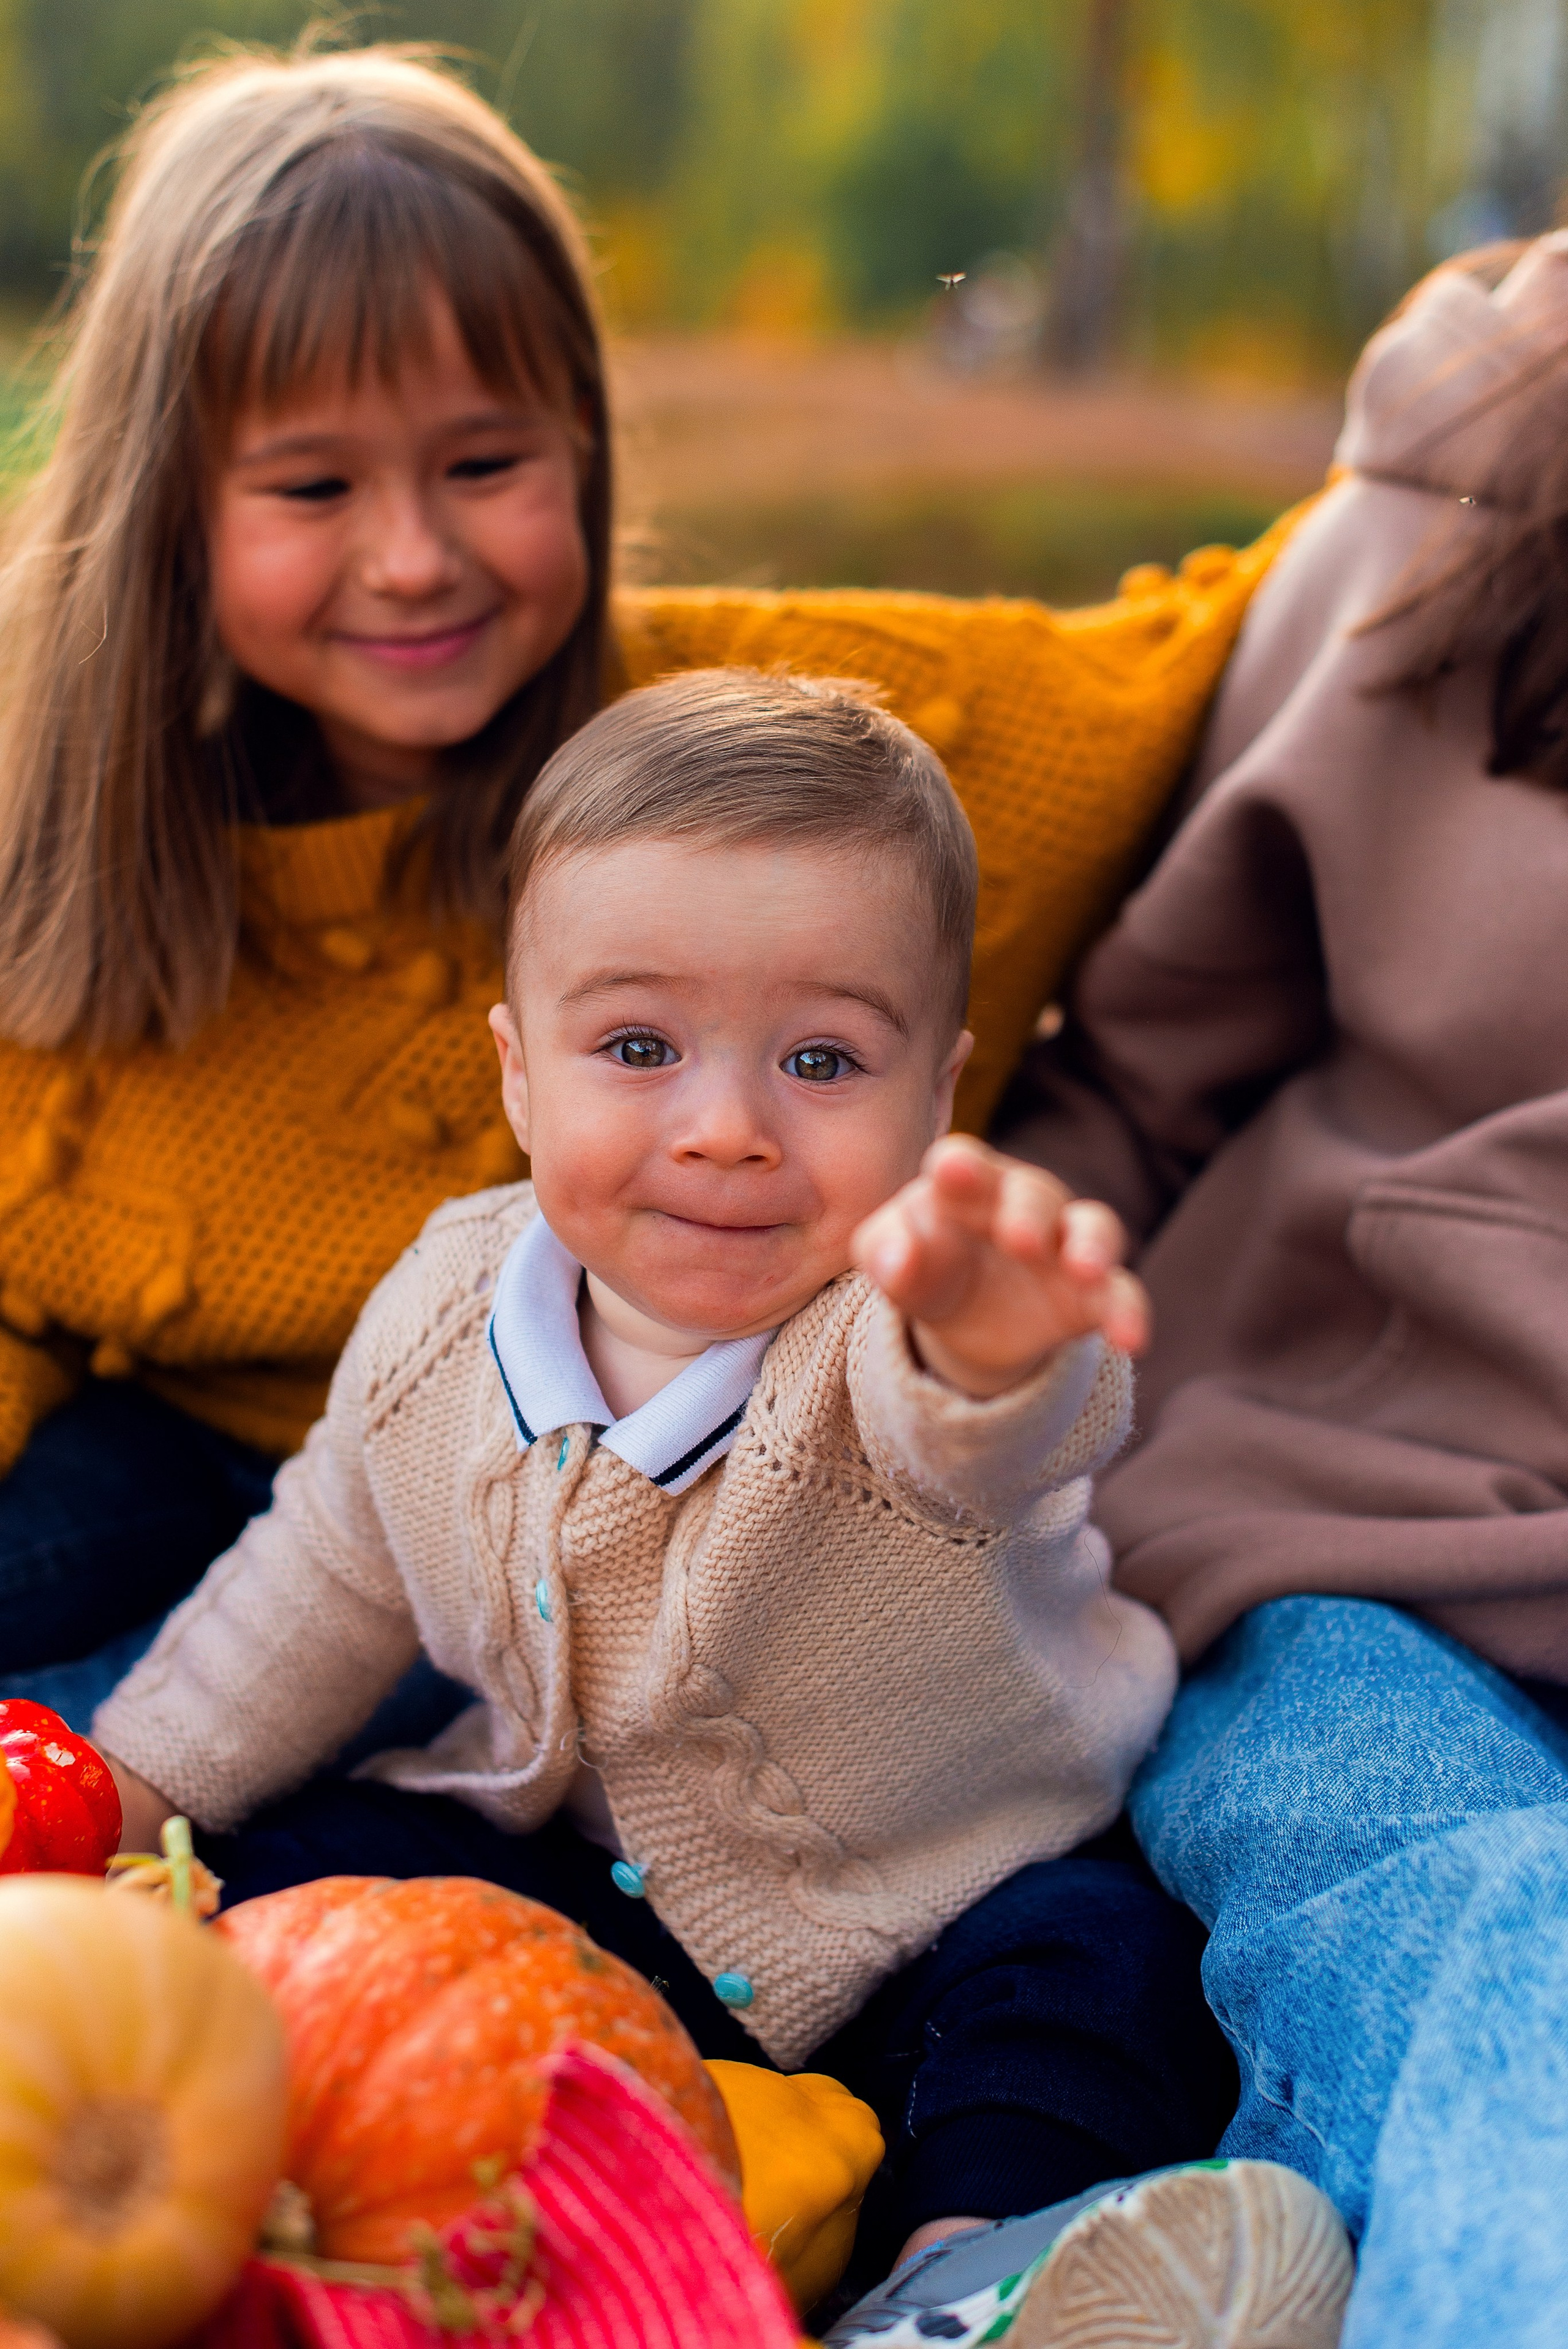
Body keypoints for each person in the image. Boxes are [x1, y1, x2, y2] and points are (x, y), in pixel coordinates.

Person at [94, 670, 1346, 2343]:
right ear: (521, 1074)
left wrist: (992, 1336)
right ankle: (238, 2177)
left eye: (823, 1058)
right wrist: (133, 1780)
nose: (731, 1128)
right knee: (295, 1876)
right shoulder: (444, 1315)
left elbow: (985, 1434)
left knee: (1094, 1982)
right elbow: (321, 1573)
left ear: (937, 1094)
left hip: (929, 1882)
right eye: (635, 1047)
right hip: (566, 1859)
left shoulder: (889, 1341)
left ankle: (959, 2278)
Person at [987, 232, 1568, 2347]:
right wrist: (959, 1342)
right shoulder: (1444, 527)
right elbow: (1131, 1088)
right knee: (1506, 1928)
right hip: (1344, 1538)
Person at [0, 46, 609, 1700]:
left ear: (583, 445)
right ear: (171, 514)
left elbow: (1212, 644)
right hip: (158, 1438)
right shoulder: (47, 804)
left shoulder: (761, 757)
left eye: (485, 465)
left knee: (105, 1766)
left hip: (504, 1516)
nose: (414, 556)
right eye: (314, 485)